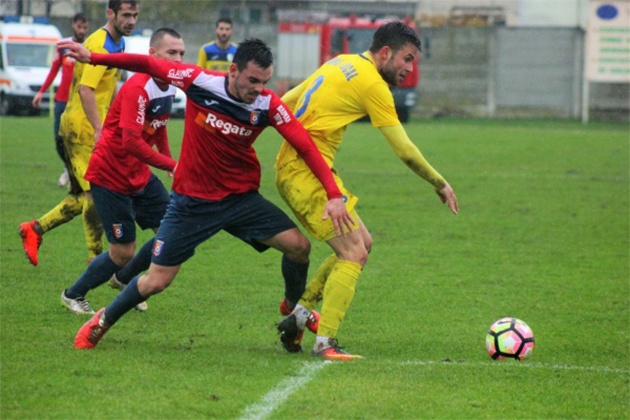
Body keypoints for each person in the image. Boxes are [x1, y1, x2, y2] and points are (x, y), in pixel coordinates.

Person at [58, 37, 354, 350]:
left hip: (240, 199)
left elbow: (305, 146)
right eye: (253, 80)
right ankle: (101, 321)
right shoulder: (199, 81)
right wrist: (94, 57)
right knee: (156, 281)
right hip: (192, 203)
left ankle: (294, 311)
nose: (258, 89)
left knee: (299, 247)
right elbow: (148, 64)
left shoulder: (267, 104)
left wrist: (333, 194)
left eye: (264, 82)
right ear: (233, 70)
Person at [275, 21, 459, 360]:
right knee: (353, 254)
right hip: (307, 174)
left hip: (300, 168)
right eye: (407, 59)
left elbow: (286, 100)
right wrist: (439, 182)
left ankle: (298, 317)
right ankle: (325, 342)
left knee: (364, 243)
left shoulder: (341, 61)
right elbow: (404, 150)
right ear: (385, 53)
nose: (410, 68)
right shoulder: (374, 84)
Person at [60, 28, 184, 315]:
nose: (178, 59)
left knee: (171, 233)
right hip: (110, 176)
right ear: (152, 54)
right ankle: (73, 294)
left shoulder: (170, 85)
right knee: (123, 251)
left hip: (139, 175)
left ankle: (125, 280)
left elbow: (159, 127)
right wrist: (171, 165)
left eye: (182, 53)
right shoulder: (138, 88)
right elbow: (131, 142)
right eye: (172, 52)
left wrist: (168, 161)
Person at [19, 0, 140, 267]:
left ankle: (35, 229)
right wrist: (98, 128)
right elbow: (86, 89)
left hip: (90, 126)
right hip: (81, 129)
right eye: (126, 15)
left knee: (80, 196)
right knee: (95, 195)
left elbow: (109, 86)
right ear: (110, 14)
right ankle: (97, 261)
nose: (131, 21)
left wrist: (117, 119)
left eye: (135, 15)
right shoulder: (100, 44)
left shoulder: (119, 42)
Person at [32, 13, 90, 188]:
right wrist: (41, 92)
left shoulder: (90, 47)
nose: (82, 31)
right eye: (79, 27)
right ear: (73, 25)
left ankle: (77, 174)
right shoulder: (63, 46)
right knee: (59, 139)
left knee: (77, 139)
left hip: (80, 102)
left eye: (85, 27)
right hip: (62, 100)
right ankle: (68, 167)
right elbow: (54, 69)